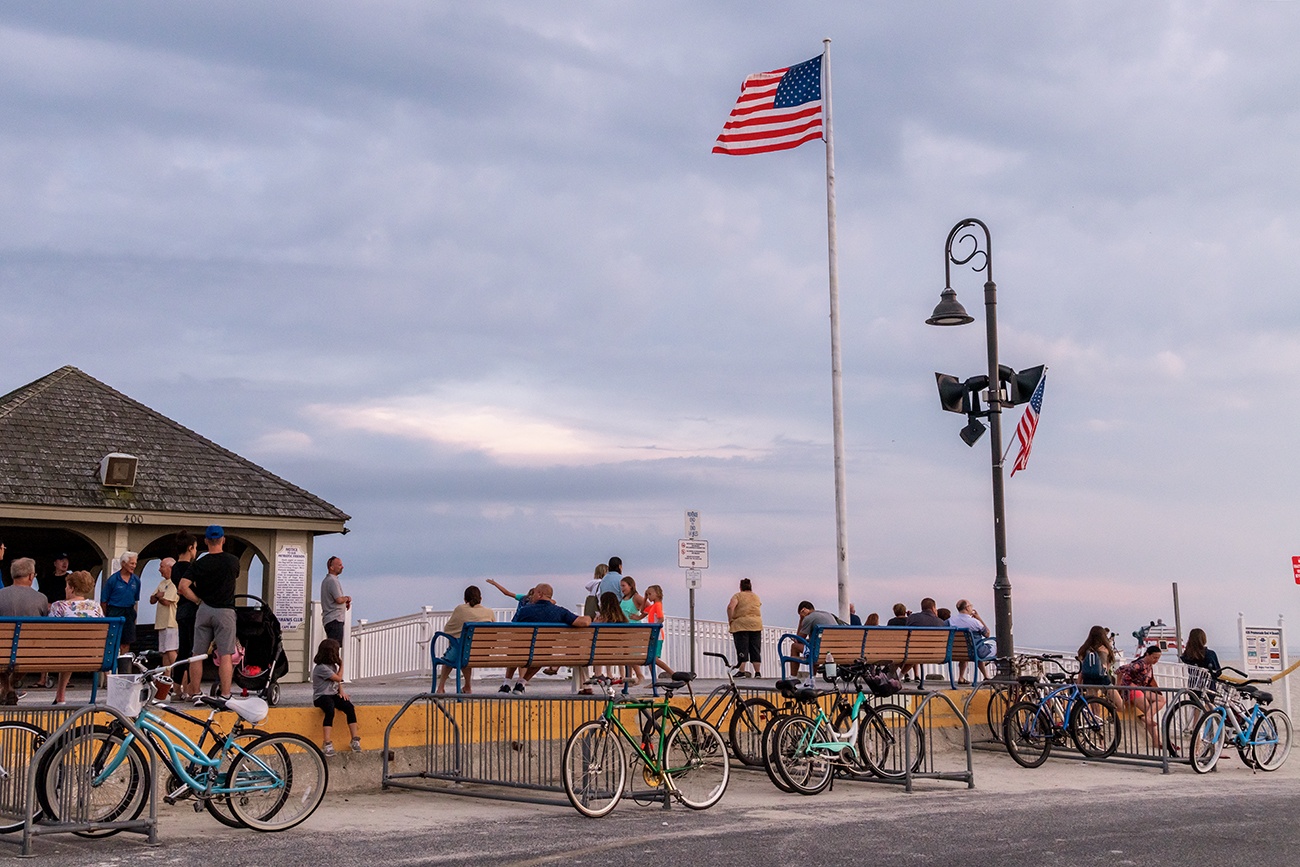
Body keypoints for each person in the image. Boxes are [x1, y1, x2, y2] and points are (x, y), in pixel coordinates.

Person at [179, 526, 240, 700]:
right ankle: (225, 694)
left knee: (197, 654)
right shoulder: (233, 561)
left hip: (204, 610)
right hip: (225, 611)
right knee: (225, 654)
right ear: (223, 540)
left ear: (206, 541)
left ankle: (195, 693)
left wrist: (198, 600)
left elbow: (183, 586)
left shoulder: (199, 563)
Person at [502, 584, 591, 694]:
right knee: (542, 655)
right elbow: (584, 622)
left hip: (522, 650)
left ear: (540, 594)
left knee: (515, 650)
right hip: (542, 654)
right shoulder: (559, 612)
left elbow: (513, 627)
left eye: (534, 593)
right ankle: (521, 684)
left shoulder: (525, 611)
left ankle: (506, 684)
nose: (532, 596)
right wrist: (589, 617)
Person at [49, 570, 104, 705]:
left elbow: (50, 631)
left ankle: (61, 696)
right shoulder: (95, 606)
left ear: (72, 588)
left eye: (67, 586)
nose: (65, 589)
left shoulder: (59, 606)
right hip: (95, 655)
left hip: (66, 654)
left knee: (68, 649)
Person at [0, 559, 49, 703]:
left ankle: (6, 688)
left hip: (2, 650)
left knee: (4, 654)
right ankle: (10, 687)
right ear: (30, 576)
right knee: (26, 652)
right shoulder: (41, 599)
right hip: (30, 652)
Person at [435, 585, 496, 694]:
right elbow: (493, 633)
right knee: (465, 652)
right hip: (480, 653)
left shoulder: (460, 609)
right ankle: (467, 686)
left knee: (456, 652)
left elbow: (448, 629)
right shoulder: (489, 612)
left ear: (465, 599)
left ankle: (440, 688)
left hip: (462, 652)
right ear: (480, 599)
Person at [312, 638, 360, 757]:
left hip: (332, 694)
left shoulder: (332, 666)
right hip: (321, 696)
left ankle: (355, 738)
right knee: (330, 709)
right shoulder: (321, 668)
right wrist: (342, 665)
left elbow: (337, 683)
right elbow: (338, 678)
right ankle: (327, 742)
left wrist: (342, 692)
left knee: (349, 707)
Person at [1115, 645, 1167, 750]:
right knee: (1148, 709)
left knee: (1161, 699)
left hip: (1140, 689)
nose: (1156, 660)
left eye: (1158, 658)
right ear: (1147, 654)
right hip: (1131, 690)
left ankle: (1147, 718)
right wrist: (1119, 685)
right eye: (1154, 657)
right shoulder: (1139, 664)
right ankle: (1157, 741)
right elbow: (1120, 670)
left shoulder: (1148, 665)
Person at [34, 553, 72, 688]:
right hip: (50, 616)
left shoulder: (70, 580)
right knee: (45, 645)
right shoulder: (47, 579)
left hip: (65, 619)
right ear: (55, 563)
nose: (64, 563)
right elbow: (41, 597)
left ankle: (65, 679)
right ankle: (43, 678)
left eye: (66, 560)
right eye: (61, 560)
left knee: (66, 646)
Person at [100, 551, 141, 665]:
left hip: (128, 611)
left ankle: (123, 667)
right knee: (112, 641)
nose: (134, 566)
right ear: (124, 563)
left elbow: (136, 598)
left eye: (135, 563)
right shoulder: (113, 580)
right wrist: (106, 616)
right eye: (131, 563)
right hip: (114, 611)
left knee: (126, 642)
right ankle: (111, 668)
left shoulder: (136, 580)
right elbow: (104, 600)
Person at [172, 531, 199, 696]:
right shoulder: (191, 568)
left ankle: (176, 688)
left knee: (183, 649)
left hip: (181, 610)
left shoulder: (175, 567)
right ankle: (190, 687)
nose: (196, 551)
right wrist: (198, 600)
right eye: (195, 548)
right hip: (192, 610)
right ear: (190, 548)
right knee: (194, 649)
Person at [790, 601, 841, 677]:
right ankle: (811, 678)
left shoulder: (809, 618)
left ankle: (793, 678)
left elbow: (799, 639)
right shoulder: (828, 614)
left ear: (803, 610)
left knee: (794, 646)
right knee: (814, 645)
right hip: (833, 651)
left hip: (818, 652)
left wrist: (801, 620)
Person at [947, 599, 992, 683]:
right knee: (994, 648)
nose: (972, 607)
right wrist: (979, 618)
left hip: (956, 652)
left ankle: (961, 677)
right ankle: (990, 675)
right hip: (974, 652)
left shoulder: (950, 621)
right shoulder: (975, 622)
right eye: (971, 606)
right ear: (967, 608)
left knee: (966, 648)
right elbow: (987, 634)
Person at [726, 578, 763, 678]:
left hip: (741, 624)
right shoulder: (756, 597)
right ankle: (757, 673)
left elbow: (730, 607)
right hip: (756, 624)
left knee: (742, 647)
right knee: (755, 648)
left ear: (740, 587)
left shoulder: (738, 595)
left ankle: (742, 671)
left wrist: (730, 619)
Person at [641, 585, 674, 676]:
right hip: (653, 635)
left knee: (654, 658)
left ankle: (672, 674)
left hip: (657, 635)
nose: (649, 596)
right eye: (647, 594)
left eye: (650, 594)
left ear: (657, 594)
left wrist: (655, 628)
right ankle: (654, 679)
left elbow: (661, 618)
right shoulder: (653, 606)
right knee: (651, 658)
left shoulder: (658, 605)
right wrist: (644, 598)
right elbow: (642, 611)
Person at [319, 556, 352, 648]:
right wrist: (347, 598)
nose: (342, 567)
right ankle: (335, 662)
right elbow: (339, 599)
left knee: (333, 647)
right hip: (335, 620)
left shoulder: (326, 581)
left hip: (329, 620)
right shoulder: (332, 581)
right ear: (331, 567)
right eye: (340, 565)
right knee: (334, 647)